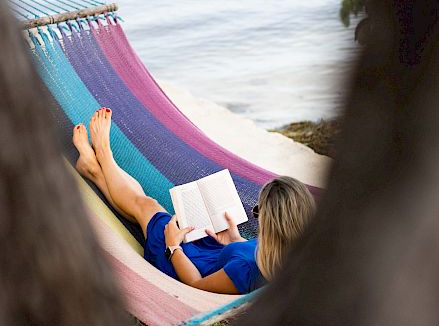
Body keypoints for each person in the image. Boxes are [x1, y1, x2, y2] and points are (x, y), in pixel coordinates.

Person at [72, 107, 316, 295]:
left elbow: (196, 285)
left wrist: (173, 247)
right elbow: (254, 256)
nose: (257, 214)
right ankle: (93, 169)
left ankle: (103, 155)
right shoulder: (289, 253)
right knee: (150, 214)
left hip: (185, 266)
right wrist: (234, 239)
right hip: (214, 255)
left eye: (258, 210)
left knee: (148, 207)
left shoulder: (245, 270)